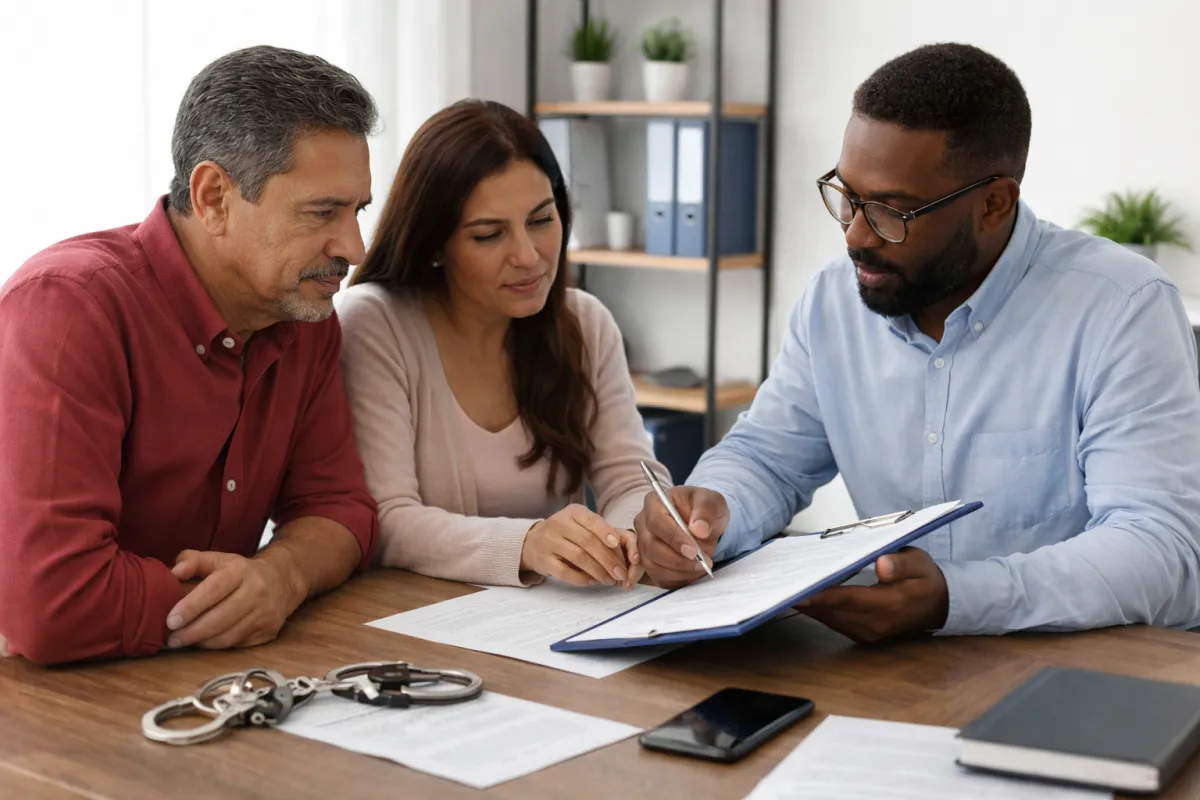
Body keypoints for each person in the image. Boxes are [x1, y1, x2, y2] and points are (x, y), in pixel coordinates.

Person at [634, 43, 1200, 640]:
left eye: (890, 211)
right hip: (898, 669)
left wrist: (958, 598)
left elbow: (1160, 550)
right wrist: (711, 514)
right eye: (847, 197)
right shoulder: (834, 301)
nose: (855, 234)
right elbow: (768, 457)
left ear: (994, 204)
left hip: (1083, 677)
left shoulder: (1121, 308)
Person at [0, 45, 381, 665]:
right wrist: (237, 599)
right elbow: (52, 605)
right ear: (213, 198)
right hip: (43, 708)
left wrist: (279, 577)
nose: (355, 246)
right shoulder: (67, 310)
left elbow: (339, 509)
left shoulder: (305, 315)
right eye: (322, 213)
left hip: (188, 678)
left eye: (357, 210)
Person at [338, 99, 669, 590]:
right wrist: (528, 544)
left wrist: (626, 538)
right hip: (411, 623)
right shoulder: (373, 324)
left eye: (541, 220)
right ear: (432, 246)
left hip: (550, 624)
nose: (529, 256)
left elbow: (630, 478)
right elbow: (385, 519)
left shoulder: (585, 322)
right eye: (489, 235)